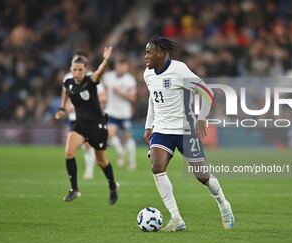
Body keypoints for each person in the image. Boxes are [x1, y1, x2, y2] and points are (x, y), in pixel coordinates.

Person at [143, 35, 234, 232]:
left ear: (161, 53)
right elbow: (153, 100)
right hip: (162, 129)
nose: (145, 56)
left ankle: (223, 204)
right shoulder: (148, 74)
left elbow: (206, 92)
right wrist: (148, 126)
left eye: (149, 52)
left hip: (185, 130)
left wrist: (202, 117)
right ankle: (176, 218)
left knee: (202, 176)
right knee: (157, 167)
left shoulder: (179, 70)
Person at [55, 46, 118, 205]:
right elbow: (66, 92)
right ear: (71, 69)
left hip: (97, 126)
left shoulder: (91, 80)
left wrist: (106, 59)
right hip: (80, 125)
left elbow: (99, 72)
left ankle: (112, 186)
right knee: (69, 152)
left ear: (85, 70)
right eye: (74, 69)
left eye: (80, 70)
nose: (77, 73)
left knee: (101, 161)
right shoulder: (68, 82)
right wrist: (62, 108)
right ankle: (74, 189)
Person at [100, 57, 137, 170]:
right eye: (119, 65)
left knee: (128, 138)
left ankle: (132, 161)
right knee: (109, 134)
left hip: (124, 113)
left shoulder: (130, 80)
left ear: (126, 67)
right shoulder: (108, 77)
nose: (121, 68)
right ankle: (121, 152)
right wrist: (102, 104)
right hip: (111, 111)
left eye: (123, 65)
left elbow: (132, 98)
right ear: (116, 65)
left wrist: (121, 92)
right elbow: (104, 92)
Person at [63, 51, 96, 180]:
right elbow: (65, 95)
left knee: (87, 144)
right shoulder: (67, 78)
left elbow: (101, 97)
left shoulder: (92, 77)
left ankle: (89, 170)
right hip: (73, 118)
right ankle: (75, 180)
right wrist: (66, 107)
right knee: (71, 149)